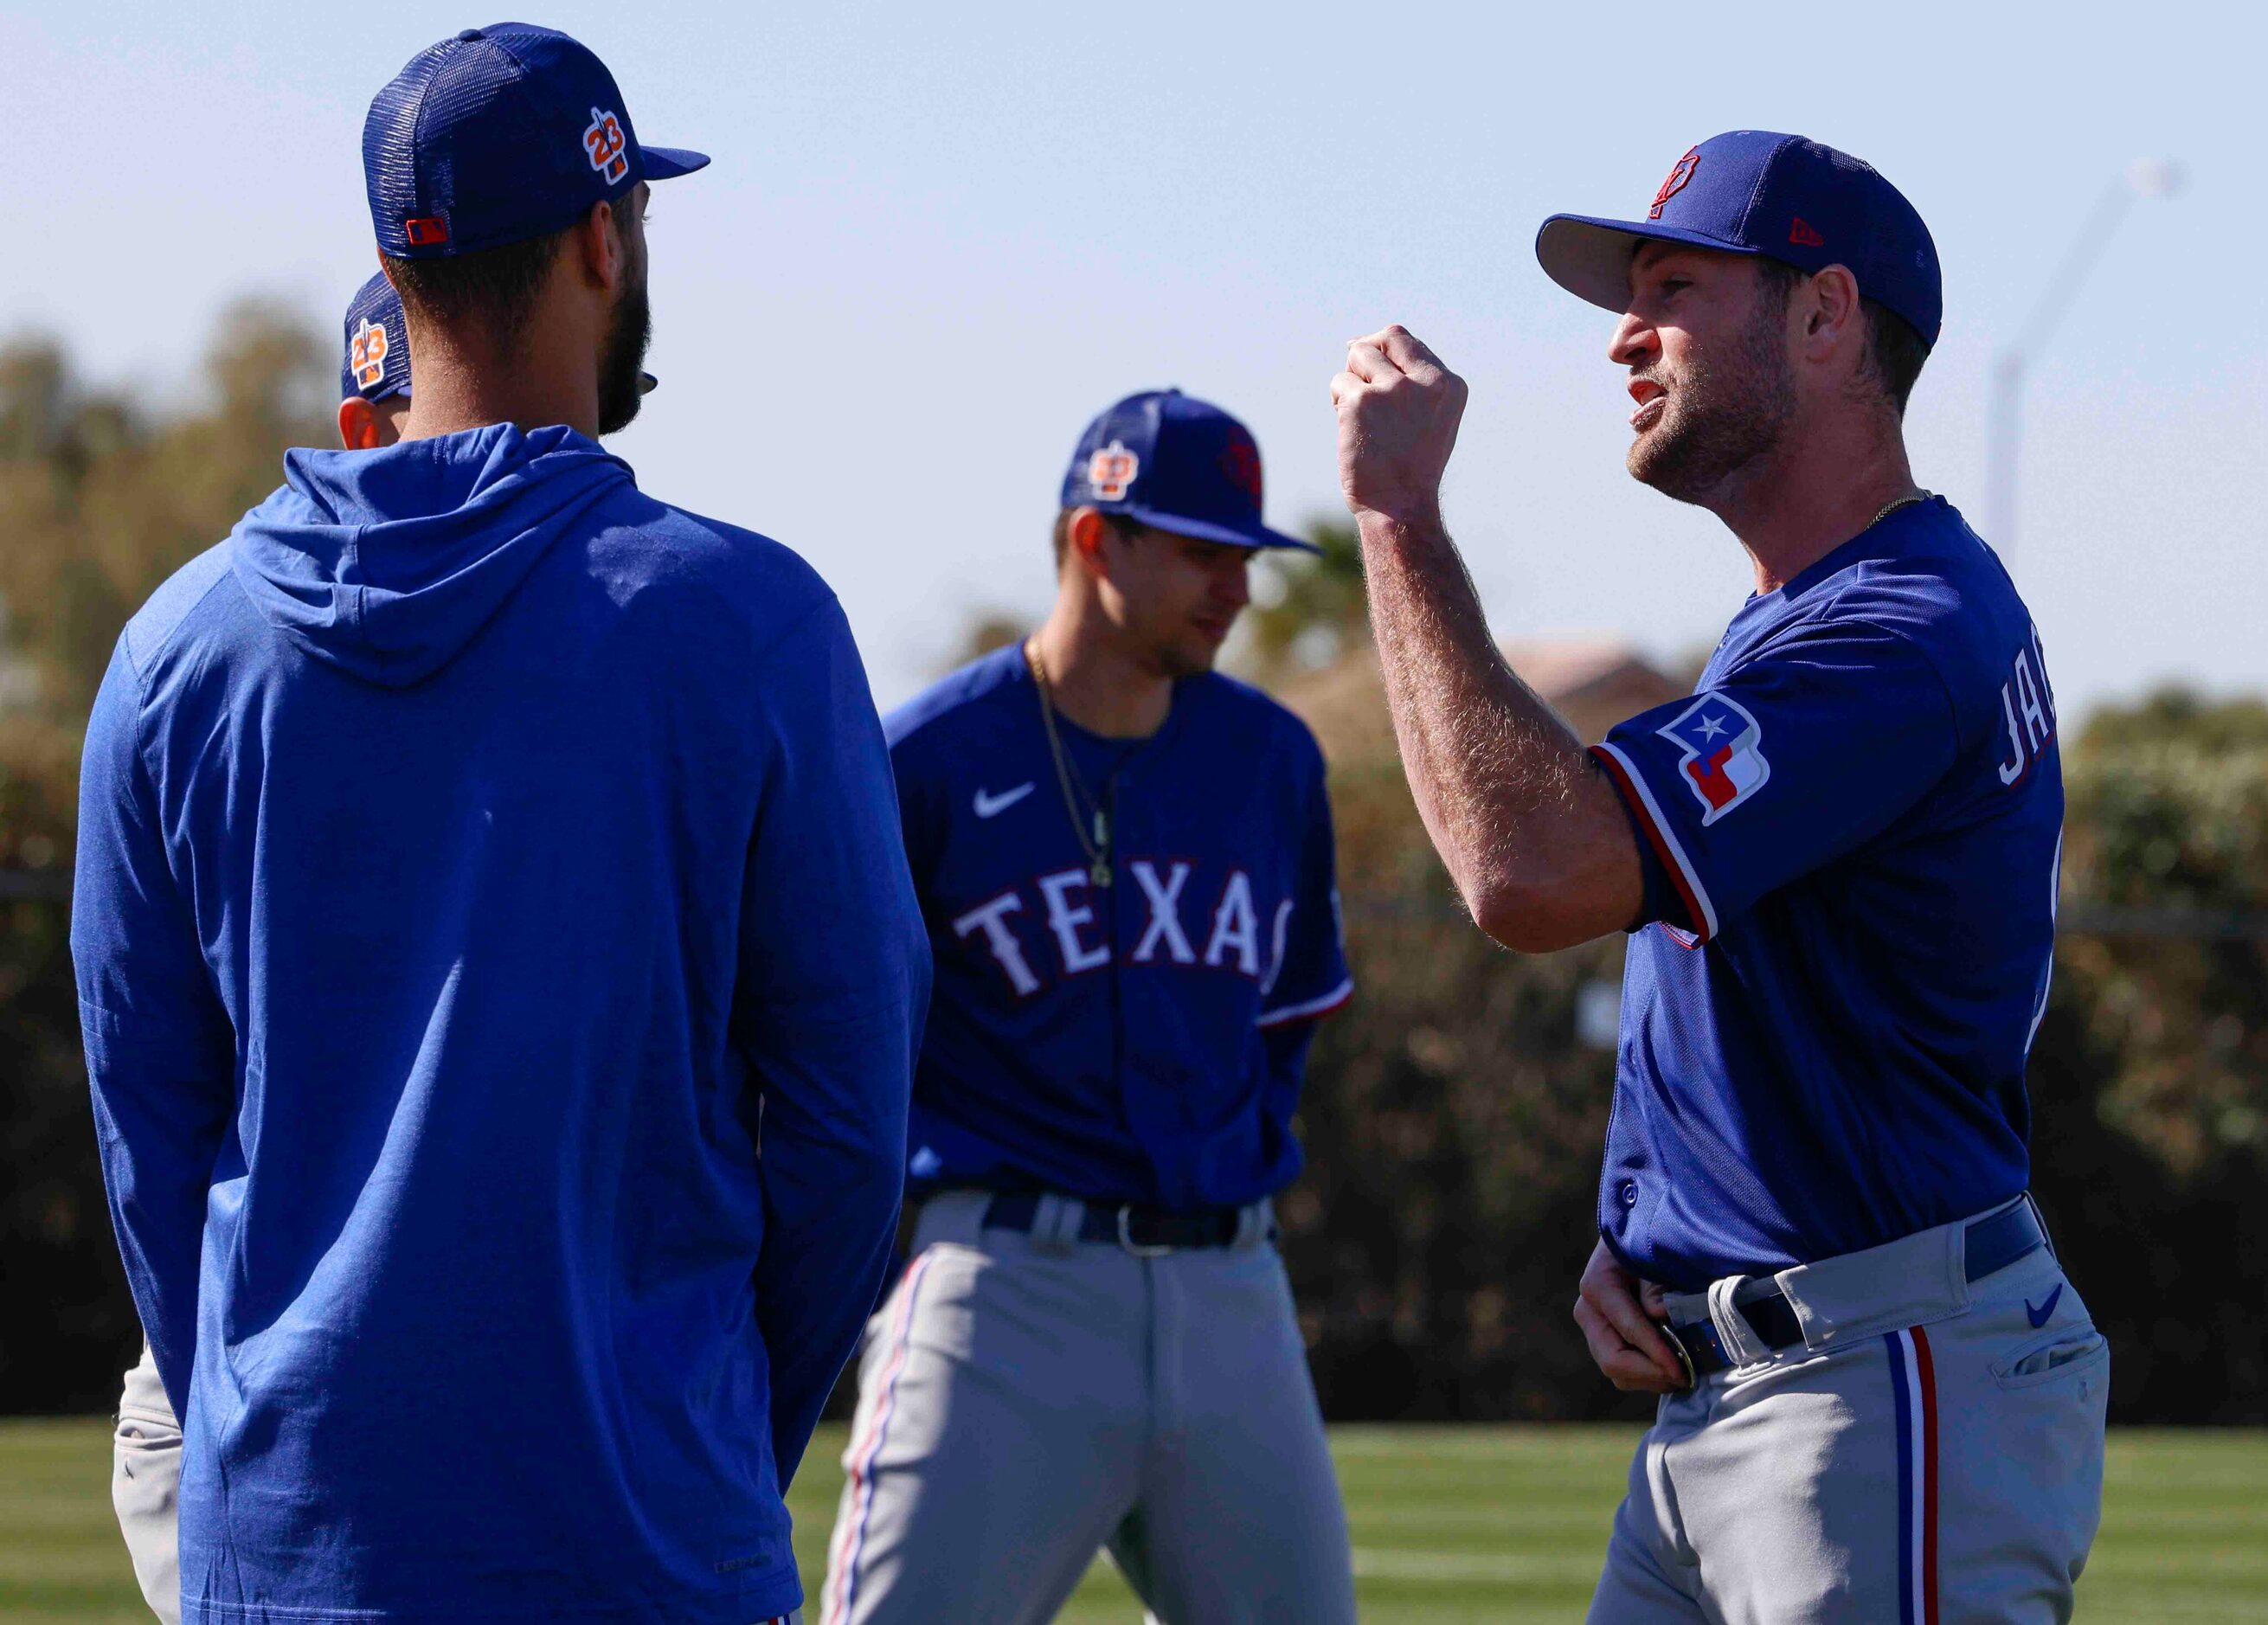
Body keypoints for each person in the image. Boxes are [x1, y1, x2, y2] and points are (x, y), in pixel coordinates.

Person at [74, 23, 927, 1625]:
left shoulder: (172, 651)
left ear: (398, 270)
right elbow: (848, 1123)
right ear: (604, 238)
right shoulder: (747, 622)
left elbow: (150, 1138)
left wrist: (270, 1445)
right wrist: (707, 1429)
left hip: (288, 1543)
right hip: (638, 1538)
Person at [1330, 132, 2106, 1622]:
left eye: (1672, 285)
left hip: (1881, 1382)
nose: (1623, 332)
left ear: (1823, 316)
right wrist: (1659, 1226)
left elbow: (1530, 873)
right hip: (1762, 1375)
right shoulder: (1813, 611)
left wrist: (1395, 517)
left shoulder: (1895, 625)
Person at [819, 389, 1359, 1625]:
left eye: (1243, 555)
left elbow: (1286, 1020)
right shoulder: (925, 760)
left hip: (1233, 1291)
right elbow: (836, 1034)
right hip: (1004, 1286)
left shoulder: (1269, 759)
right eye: (1197, 550)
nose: (1234, 585)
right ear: (1091, 538)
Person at [108, 268, 417, 1625]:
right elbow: (145, 1103)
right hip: (239, 1361)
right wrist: (223, 1387)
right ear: (363, 431)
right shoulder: (219, 655)